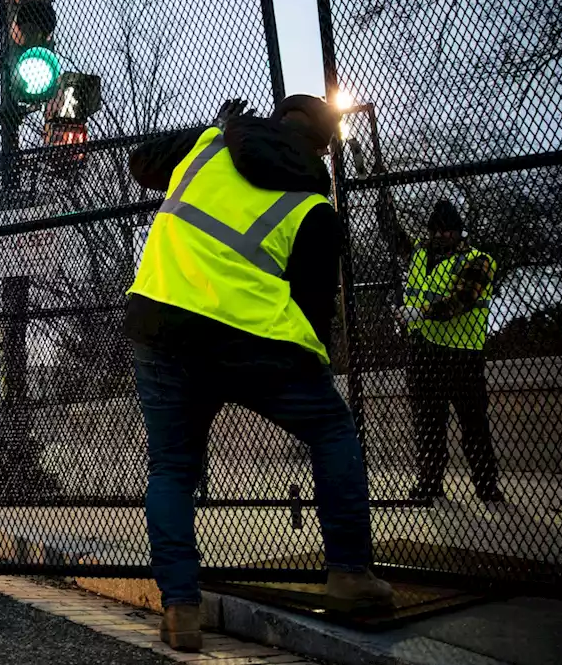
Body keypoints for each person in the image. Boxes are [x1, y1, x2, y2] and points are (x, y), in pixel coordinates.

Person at [125, 95, 393, 652]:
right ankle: (349, 572)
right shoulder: (316, 205)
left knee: (173, 468)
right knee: (331, 430)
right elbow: (315, 308)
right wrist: (307, 364)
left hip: (164, 323)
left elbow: (141, 161)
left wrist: (215, 127)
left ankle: (180, 607)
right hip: (254, 339)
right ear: (322, 146)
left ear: (275, 121)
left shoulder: (208, 145)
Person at [377, 194, 501, 504]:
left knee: (473, 423)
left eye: (448, 230)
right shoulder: (421, 252)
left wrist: (418, 312)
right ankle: (430, 483)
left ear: (460, 232)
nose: (441, 236)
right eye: (437, 230)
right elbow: (393, 235)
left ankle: (486, 486)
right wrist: (383, 196)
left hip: (462, 355)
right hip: (424, 352)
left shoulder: (478, 259)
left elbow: (461, 302)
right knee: (428, 423)